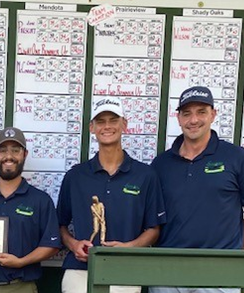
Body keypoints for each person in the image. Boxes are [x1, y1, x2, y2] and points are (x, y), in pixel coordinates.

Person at [150, 86, 244, 293]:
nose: (193, 120)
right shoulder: (161, 165)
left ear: (213, 114)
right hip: (167, 272)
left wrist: (230, 255)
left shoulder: (238, 158)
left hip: (219, 275)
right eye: (186, 113)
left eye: (201, 112)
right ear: (178, 118)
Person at [57, 97, 165, 293]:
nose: (107, 126)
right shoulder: (75, 176)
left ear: (124, 124)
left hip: (126, 270)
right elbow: (60, 225)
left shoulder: (145, 175)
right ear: (92, 127)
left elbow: (154, 229)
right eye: (100, 121)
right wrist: (74, 245)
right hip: (80, 271)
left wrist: (128, 248)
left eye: (113, 120)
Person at [0, 127, 61, 293]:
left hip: (22, 287)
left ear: (25, 154)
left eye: (15, 150)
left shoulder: (40, 200)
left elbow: (51, 245)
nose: (8, 156)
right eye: (2, 150)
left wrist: (21, 261)